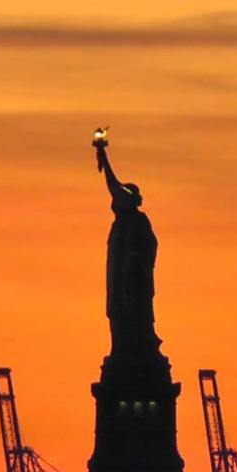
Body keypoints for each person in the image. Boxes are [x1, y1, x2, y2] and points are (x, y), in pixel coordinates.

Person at [95, 142, 162, 356]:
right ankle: (121, 348)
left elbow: (151, 245)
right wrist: (103, 156)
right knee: (117, 312)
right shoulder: (120, 223)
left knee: (135, 313)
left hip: (134, 280)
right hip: (117, 277)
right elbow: (113, 184)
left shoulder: (139, 222)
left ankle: (139, 348)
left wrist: (136, 259)